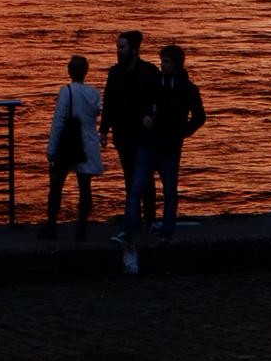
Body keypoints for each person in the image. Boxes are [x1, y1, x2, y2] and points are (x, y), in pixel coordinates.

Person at [112, 44, 205, 244]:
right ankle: (127, 230)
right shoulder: (153, 83)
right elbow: (139, 103)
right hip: (148, 145)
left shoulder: (188, 90)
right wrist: (143, 116)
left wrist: (182, 133)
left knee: (169, 193)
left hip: (170, 150)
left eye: (166, 62)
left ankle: (166, 231)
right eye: (161, 61)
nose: (162, 65)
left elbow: (199, 117)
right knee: (136, 189)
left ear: (178, 65)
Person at [100, 30, 159, 229]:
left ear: (133, 50)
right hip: (123, 134)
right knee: (129, 178)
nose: (118, 51)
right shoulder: (115, 73)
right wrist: (104, 130)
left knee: (146, 178)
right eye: (118, 47)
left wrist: (151, 118)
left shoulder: (149, 72)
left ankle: (150, 219)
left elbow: (158, 101)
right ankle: (134, 219)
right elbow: (108, 102)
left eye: (122, 47)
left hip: (143, 135)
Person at [42, 55, 104, 241]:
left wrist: (51, 150)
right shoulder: (94, 93)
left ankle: (51, 226)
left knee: (56, 185)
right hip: (89, 142)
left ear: (70, 71)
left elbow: (59, 122)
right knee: (85, 188)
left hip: (69, 142)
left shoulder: (67, 91)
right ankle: (81, 228)